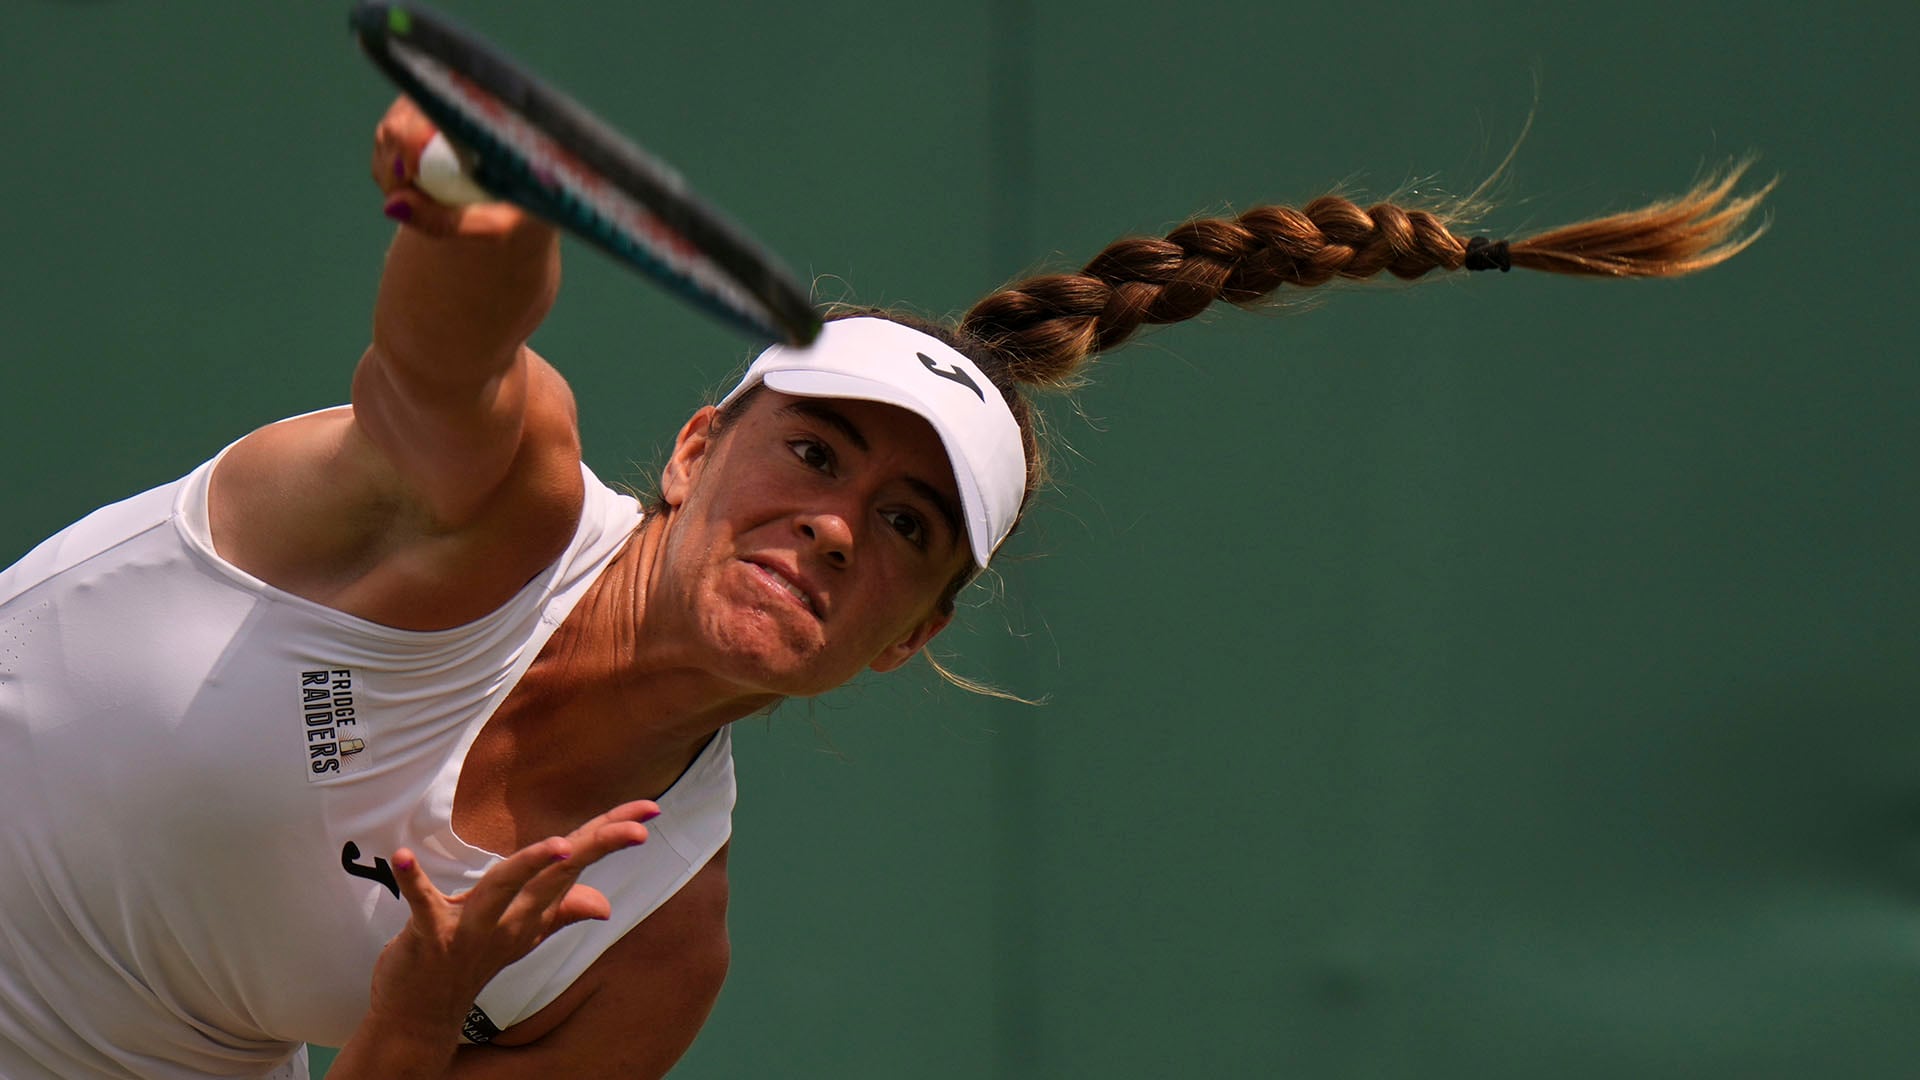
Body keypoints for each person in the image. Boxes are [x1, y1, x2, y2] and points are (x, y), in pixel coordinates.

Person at [0, 97, 1768, 1079]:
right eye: (816, 452)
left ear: (906, 640)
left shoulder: (652, 954)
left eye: (912, 526)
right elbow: (451, 360)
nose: (841, 524)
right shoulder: (489, 509)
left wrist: (400, 1028)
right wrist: (491, 210)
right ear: (697, 448)